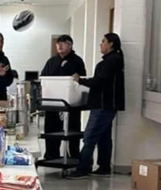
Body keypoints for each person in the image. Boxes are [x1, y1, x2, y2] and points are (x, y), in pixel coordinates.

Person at [68, 32, 125, 179]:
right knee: (103, 136)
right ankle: (103, 167)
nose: (101, 44)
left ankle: (82, 168)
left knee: (90, 136)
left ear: (111, 43)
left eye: (103, 41)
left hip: (103, 105)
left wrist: (80, 80)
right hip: (106, 104)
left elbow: (99, 81)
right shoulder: (113, 60)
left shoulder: (112, 61)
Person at [40, 34, 86, 161]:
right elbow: (44, 77)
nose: (59, 45)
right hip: (53, 102)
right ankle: (51, 154)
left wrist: (67, 66)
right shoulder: (51, 61)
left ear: (70, 45)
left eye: (63, 43)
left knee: (72, 129)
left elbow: (80, 80)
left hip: (71, 102)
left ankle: (74, 156)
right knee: (51, 129)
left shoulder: (77, 61)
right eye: (57, 43)